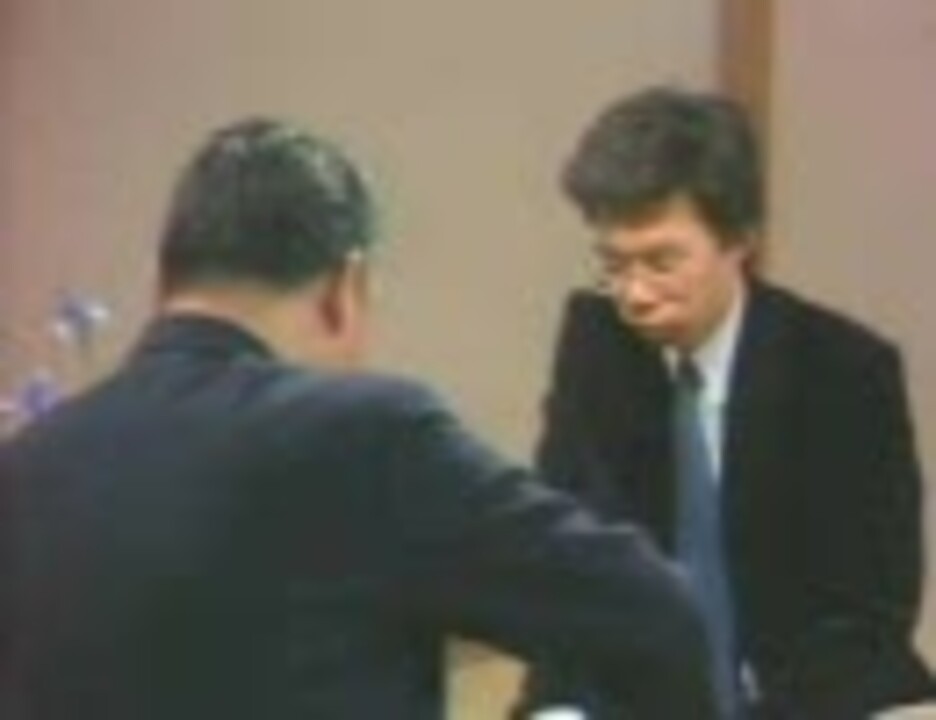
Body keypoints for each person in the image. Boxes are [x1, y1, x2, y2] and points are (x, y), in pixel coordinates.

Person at [0, 119, 720, 719]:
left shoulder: (28, 468)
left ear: (166, 280)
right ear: (344, 288)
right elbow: (651, 612)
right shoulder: (363, 434)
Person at [517, 86, 934, 719]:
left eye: (661, 262)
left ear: (740, 238)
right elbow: (567, 565)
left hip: (802, 697)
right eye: (613, 264)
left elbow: (870, 613)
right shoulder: (597, 346)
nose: (634, 295)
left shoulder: (841, 370)